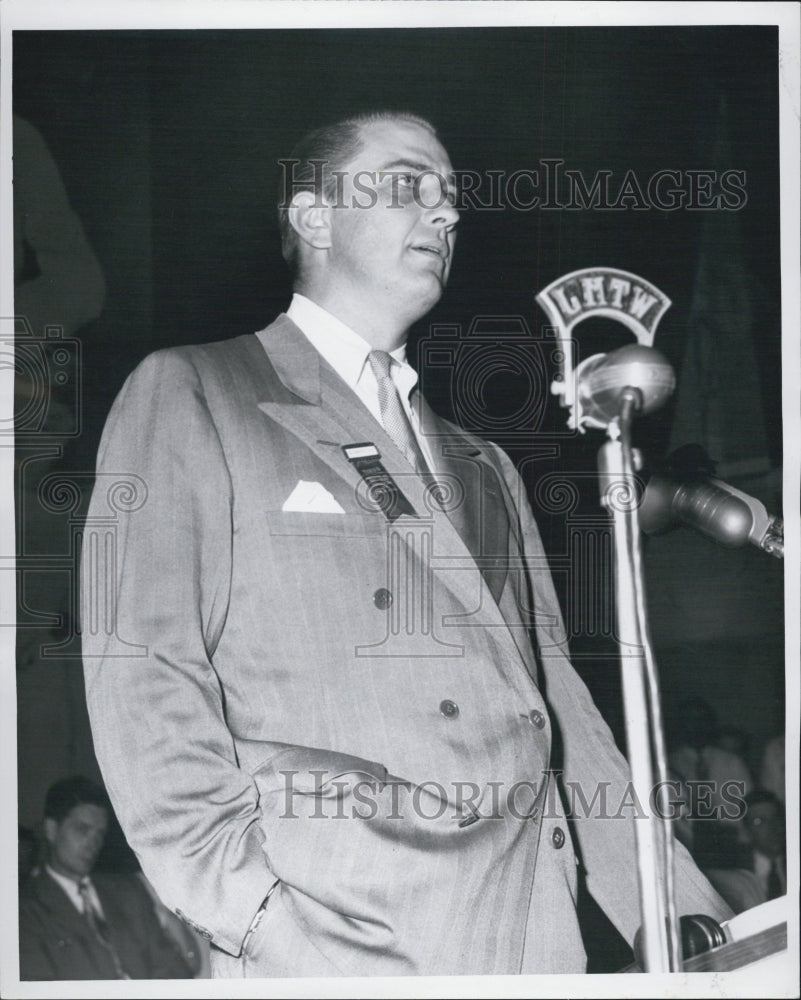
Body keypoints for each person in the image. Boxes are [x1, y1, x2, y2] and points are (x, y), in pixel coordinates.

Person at [81, 110, 730, 978]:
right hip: (335, 932)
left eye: (453, 196)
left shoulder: (485, 463)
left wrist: (682, 915)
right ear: (313, 217)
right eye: (408, 186)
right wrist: (261, 921)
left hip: (529, 933)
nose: (447, 213)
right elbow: (144, 678)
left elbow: (560, 716)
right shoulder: (198, 392)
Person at [19, 776, 195, 981]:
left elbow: (172, 967)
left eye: (99, 834)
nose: (93, 843)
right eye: (82, 829)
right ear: (51, 830)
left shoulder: (129, 891)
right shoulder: (26, 910)